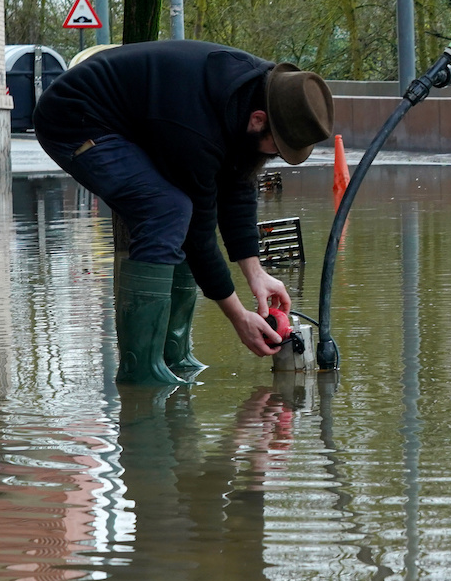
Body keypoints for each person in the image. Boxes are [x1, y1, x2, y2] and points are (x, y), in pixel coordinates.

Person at [33, 40, 334, 383]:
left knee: (176, 208)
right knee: (167, 210)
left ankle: (174, 354)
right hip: (74, 117)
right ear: (258, 120)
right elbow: (199, 237)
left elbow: (238, 184)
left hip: (139, 121)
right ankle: (141, 370)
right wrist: (238, 316)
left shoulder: (260, 95)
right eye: (278, 148)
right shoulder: (196, 129)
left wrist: (256, 273)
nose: (276, 156)